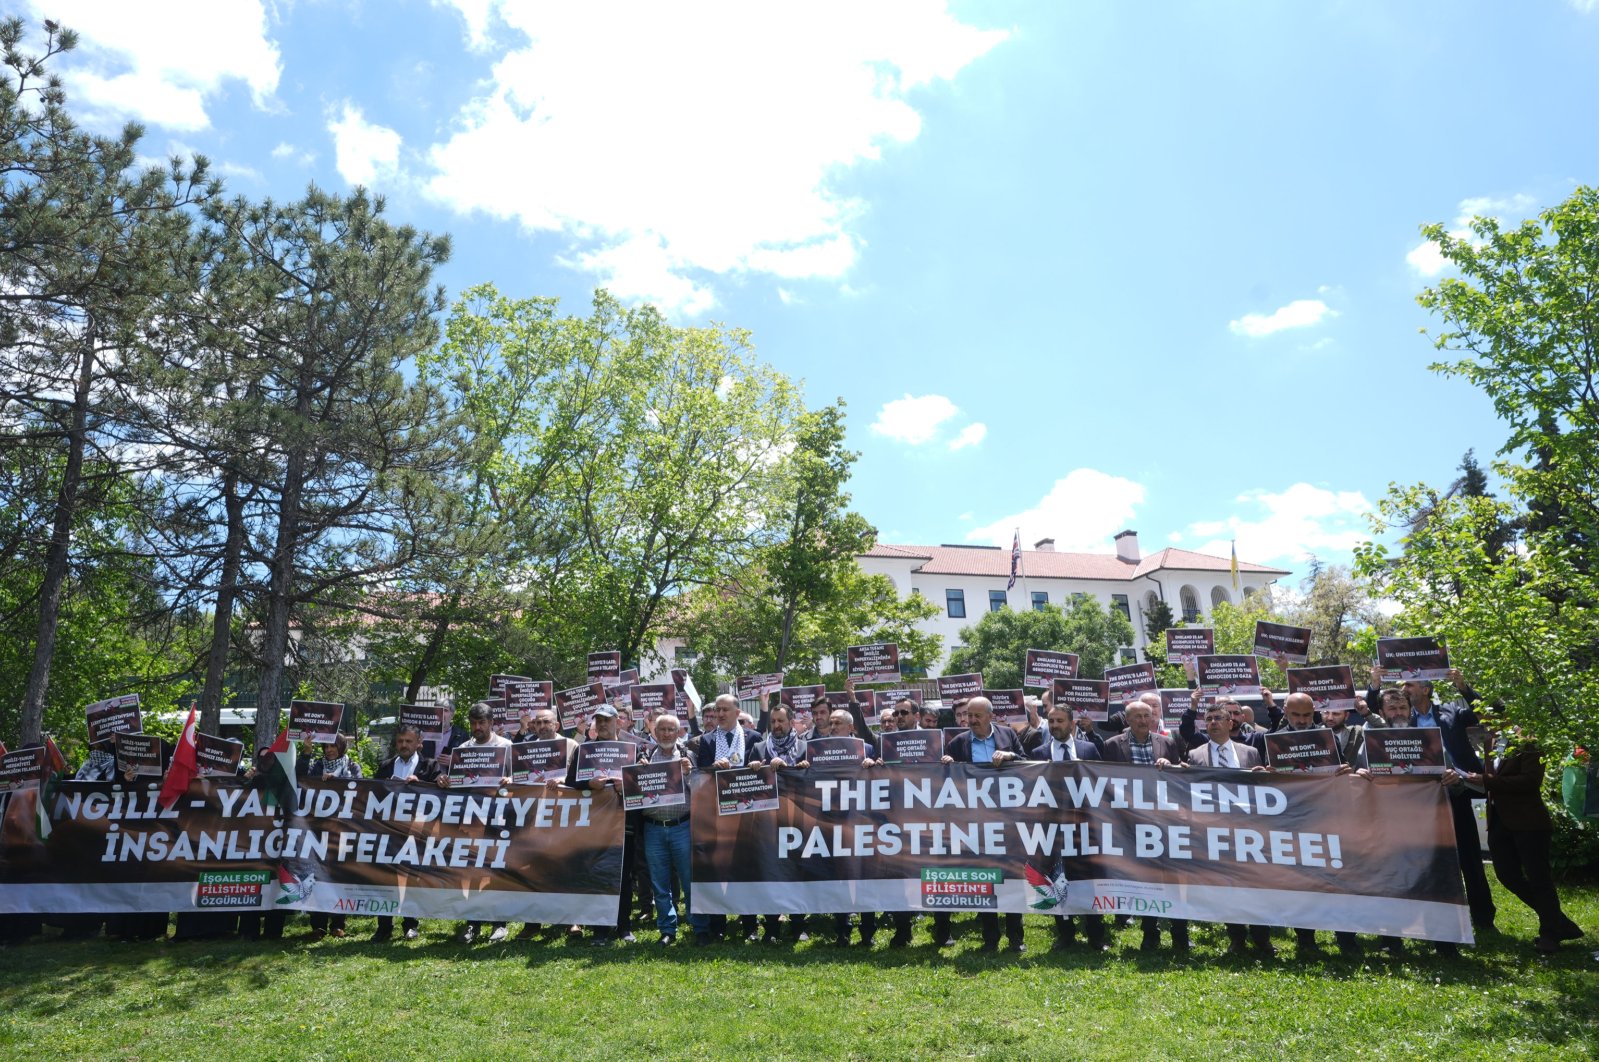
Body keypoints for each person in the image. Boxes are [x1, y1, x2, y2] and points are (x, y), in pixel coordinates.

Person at [1367, 666, 1496, 935]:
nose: (1404, 690)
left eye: (1410, 685)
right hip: (1421, 799)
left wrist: (1463, 686)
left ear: (1426, 689)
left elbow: (1489, 713)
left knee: (1469, 857)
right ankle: (1430, 919)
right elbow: (1374, 709)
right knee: (1427, 860)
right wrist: (1375, 683)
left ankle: (1483, 918)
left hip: (1456, 790)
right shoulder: (1403, 721)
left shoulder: (1450, 712)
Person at [1444, 730, 1584, 954]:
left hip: (1528, 821)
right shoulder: (1491, 741)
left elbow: (1531, 780)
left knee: (1539, 878)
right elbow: (1494, 780)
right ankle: (1560, 923)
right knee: (1506, 875)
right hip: (1499, 820)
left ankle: (1550, 934)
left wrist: (1486, 780)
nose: (1483, 723)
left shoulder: (1529, 740)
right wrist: (1478, 780)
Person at [1185, 702, 1274, 957]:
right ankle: (1236, 938)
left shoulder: (1249, 752)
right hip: (1215, 830)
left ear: (1230, 723)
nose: (1213, 722)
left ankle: (1262, 938)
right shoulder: (1195, 755)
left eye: (1218, 718)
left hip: (1249, 829)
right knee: (1227, 886)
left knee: (1256, 884)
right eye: (1209, 718)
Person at [941, 697, 1026, 953]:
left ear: (991, 716)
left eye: (978, 715)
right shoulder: (958, 743)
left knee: (1012, 878)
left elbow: (1028, 763)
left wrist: (1011, 755)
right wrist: (945, 765)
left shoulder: (1008, 735)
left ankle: (1016, 937)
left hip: (1007, 819)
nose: (972, 720)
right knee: (984, 879)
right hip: (975, 821)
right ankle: (990, 938)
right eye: (969, 715)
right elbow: (947, 780)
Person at [1102, 701, 1187, 951]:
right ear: (1127, 720)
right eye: (1137, 716)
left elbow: (1181, 778)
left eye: (1146, 716)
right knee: (1144, 879)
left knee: (1172, 878)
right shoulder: (1112, 745)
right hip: (1130, 821)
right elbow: (1105, 781)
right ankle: (1150, 933)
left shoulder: (1167, 743)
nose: (1142, 720)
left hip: (1164, 821)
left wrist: (1172, 767)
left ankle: (1180, 934)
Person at [1027, 702, 1107, 952]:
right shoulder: (1039, 753)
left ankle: (1096, 934)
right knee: (1056, 880)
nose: (1055, 726)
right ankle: (1065, 933)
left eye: (1060, 721)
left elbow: (1102, 783)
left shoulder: (1089, 749)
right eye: (1051, 721)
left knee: (1087, 879)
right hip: (1052, 829)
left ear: (1072, 724)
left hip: (1085, 828)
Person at [440, 702, 512, 943]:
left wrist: (509, 779)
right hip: (470, 819)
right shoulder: (463, 749)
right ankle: (473, 922)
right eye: (473, 723)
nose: (477, 727)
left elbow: (520, 779)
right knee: (471, 870)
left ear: (491, 723)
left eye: (482, 722)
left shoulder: (506, 747)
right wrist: (445, 780)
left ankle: (499, 922)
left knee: (494, 869)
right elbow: (455, 781)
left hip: (498, 816)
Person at [371, 725, 439, 942]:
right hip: (389, 831)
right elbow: (371, 795)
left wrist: (424, 786)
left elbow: (443, 791)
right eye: (401, 741)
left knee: (411, 878)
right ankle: (384, 926)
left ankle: (410, 924)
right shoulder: (385, 766)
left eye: (409, 741)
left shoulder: (430, 765)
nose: (404, 745)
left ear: (419, 742)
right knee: (386, 878)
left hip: (417, 831)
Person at [639, 713, 702, 946]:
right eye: (662, 729)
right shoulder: (644, 757)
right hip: (653, 828)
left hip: (682, 826)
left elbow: (701, 792)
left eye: (670, 730)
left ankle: (699, 926)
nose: (666, 734)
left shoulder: (689, 756)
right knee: (660, 883)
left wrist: (688, 774)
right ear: (654, 732)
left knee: (689, 880)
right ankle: (667, 929)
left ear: (678, 732)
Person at [304, 734, 361, 941]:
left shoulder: (352, 767)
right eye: (326, 746)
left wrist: (339, 783)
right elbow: (302, 778)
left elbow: (360, 788)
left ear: (341, 747)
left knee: (338, 875)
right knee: (317, 875)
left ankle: (338, 923)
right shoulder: (317, 766)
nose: (329, 750)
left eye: (333, 746)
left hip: (342, 829)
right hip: (317, 829)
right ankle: (318, 925)